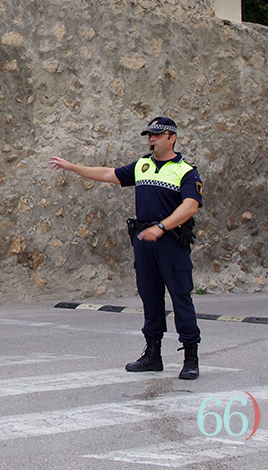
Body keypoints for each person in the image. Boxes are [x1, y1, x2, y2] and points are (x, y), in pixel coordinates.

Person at [49, 116, 203, 380]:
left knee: (181, 297)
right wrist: (73, 167)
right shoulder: (143, 165)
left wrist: (162, 227)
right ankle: (153, 354)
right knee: (150, 297)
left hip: (170, 241)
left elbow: (190, 206)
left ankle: (190, 357)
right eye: (149, 136)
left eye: (156, 135)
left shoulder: (186, 171)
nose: (151, 140)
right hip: (144, 240)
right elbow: (110, 174)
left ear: (171, 137)